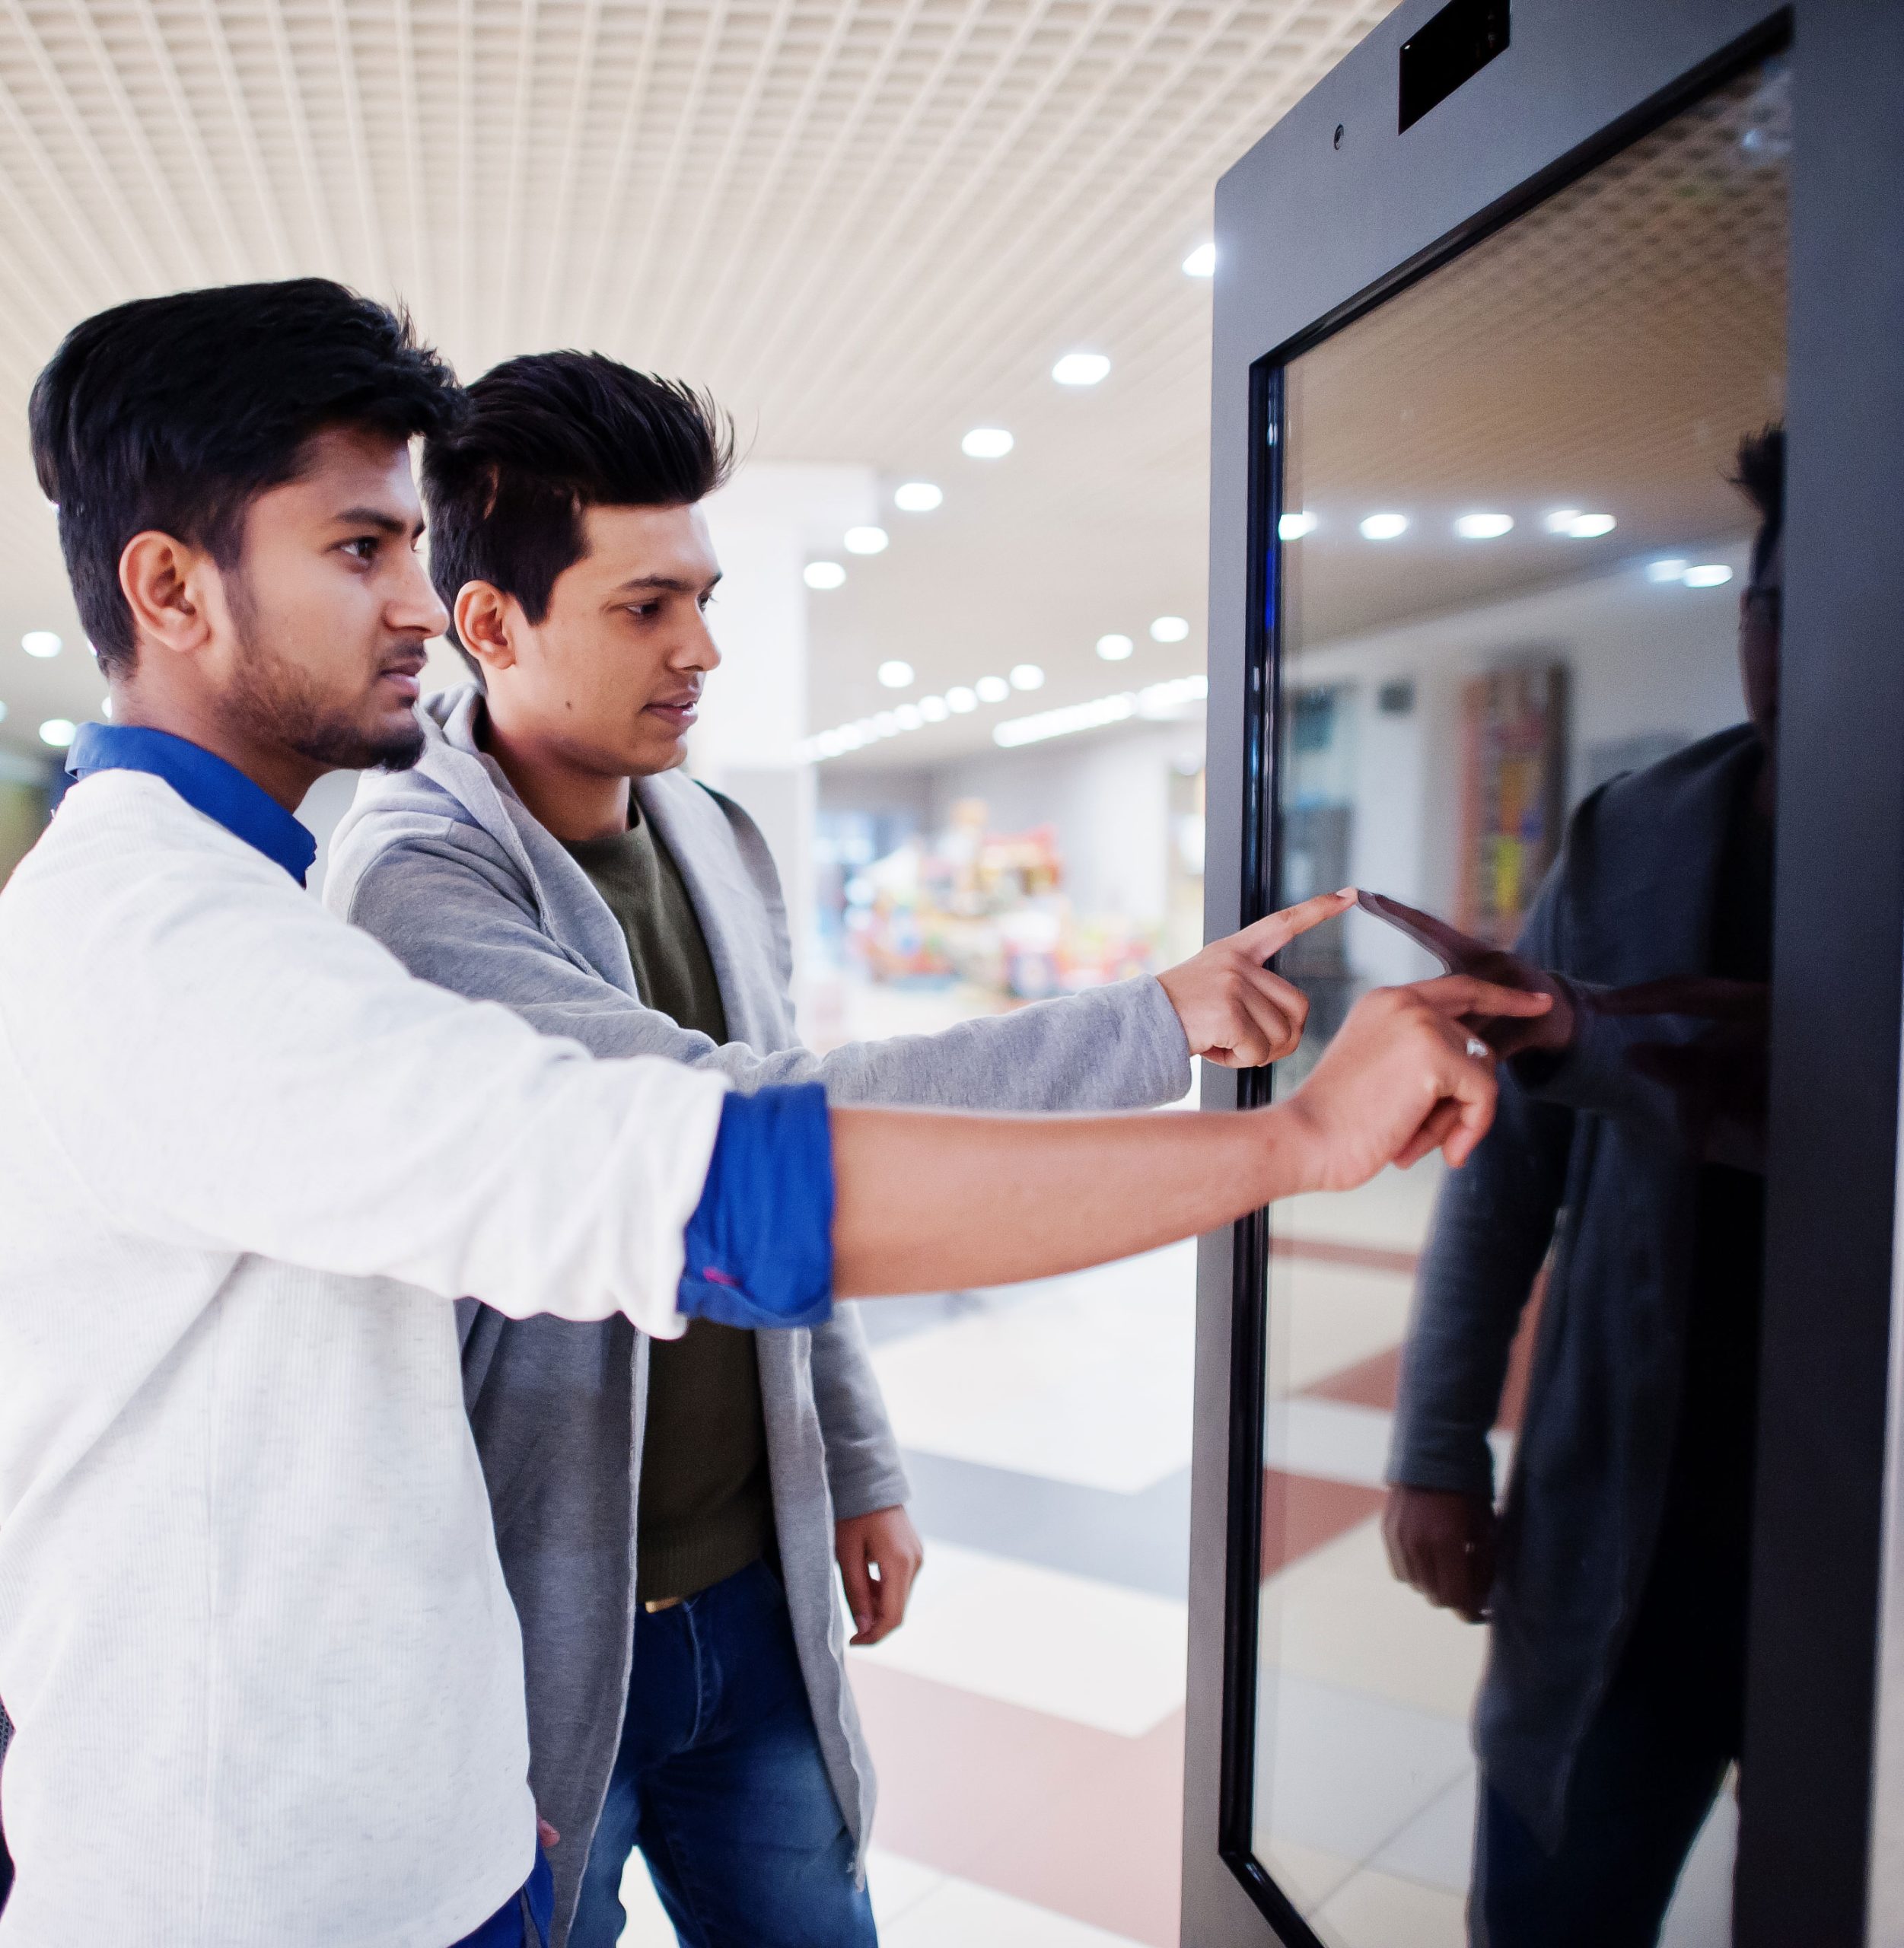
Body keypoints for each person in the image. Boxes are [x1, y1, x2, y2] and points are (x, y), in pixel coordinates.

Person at [0, 277, 1541, 1948]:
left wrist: (459, 1757)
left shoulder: (279, 899)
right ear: (171, 584)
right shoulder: (200, 945)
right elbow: (711, 1167)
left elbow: (346, 1432)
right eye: (360, 550)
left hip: (431, 1813)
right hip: (275, 1883)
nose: (417, 606)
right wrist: (1293, 1140)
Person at [325, 349, 1353, 1948]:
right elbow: (752, 1136)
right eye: (647, 605)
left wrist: (854, 1462)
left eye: (705, 596)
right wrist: (1157, 1027)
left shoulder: (718, 835)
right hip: (537, 1618)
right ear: (492, 623)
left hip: (758, 1585)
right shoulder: (412, 886)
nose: (704, 648)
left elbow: (810, 1224)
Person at [1382, 427, 1784, 1946]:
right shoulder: (1638, 829)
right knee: (1554, 1888)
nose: (1800, 652)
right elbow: (1507, 1167)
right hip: (1625, 1497)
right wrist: (1434, 1443)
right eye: (1775, 608)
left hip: (1844, 1535)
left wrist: (1587, 1028)